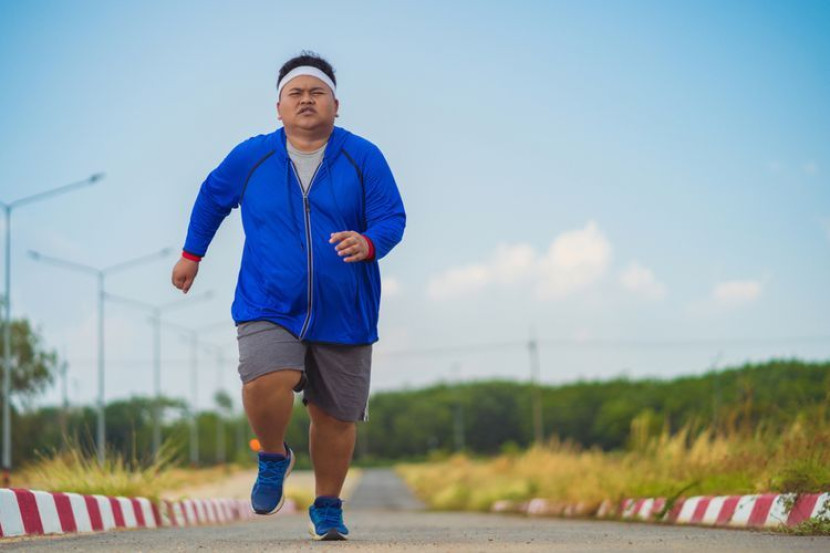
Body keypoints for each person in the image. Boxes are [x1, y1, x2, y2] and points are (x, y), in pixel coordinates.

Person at [171, 51, 406, 541]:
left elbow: (391, 218)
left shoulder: (363, 157)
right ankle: (274, 456)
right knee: (263, 378)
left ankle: (327, 506)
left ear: (336, 105)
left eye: (317, 92)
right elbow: (212, 197)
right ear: (278, 108)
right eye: (295, 93)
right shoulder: (252, 157)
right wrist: (192, 254)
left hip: (346, 307)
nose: (306, 100)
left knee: (334, 416)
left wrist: (368, 243)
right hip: (268, 300)